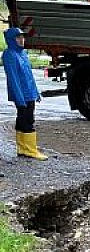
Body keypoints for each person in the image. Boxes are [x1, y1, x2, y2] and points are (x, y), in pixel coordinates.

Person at [2, 27, 47, 161]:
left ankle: (23, 148)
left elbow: (29, 76)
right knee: (27, 120)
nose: (21, 40)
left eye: (22, 37)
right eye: (18, 37)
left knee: (24, 118)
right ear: (11, 39)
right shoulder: (9, 54)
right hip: (22, 95)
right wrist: (19, 98)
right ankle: (30, 150)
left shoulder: (23, 53)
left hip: (29, 93)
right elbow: (13, 78)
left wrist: (36, 92)